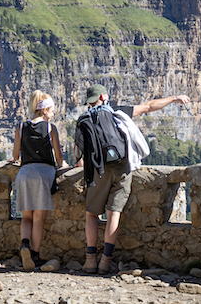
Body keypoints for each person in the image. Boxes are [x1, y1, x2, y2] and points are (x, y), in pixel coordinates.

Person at [75, 84, 190, 275]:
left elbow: (78, 153)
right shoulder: (118, 112)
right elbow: (149, 106)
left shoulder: (83, 120)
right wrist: (174, 98)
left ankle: (90, 261)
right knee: (114, 213)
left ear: (90, 101)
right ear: (104, 96)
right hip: (122, 167)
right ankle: (105, 261)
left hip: (98, 170)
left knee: (91, 214)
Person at [10, 90, 68, 271]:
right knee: (38, 219)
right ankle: (34, 255)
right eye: (51, 111)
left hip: (24, 174)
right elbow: (58, 157)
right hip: (44, 174)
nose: (52, 115)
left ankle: (24, 245)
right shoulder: (51, 128)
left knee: (26, 217)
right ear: (44, 111)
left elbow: (15, 155)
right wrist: (64, 165)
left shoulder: (21, 127)